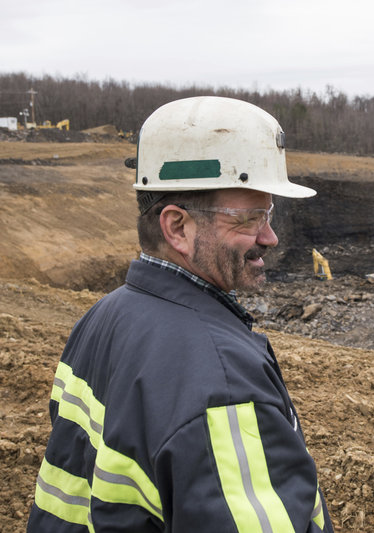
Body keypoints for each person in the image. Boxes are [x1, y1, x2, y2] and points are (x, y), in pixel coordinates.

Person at [27, 96, 334, 532]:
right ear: (177, 227)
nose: (271, 237)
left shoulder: (102, 317)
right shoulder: (223, 383)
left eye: (268, 214)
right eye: (249, 219)